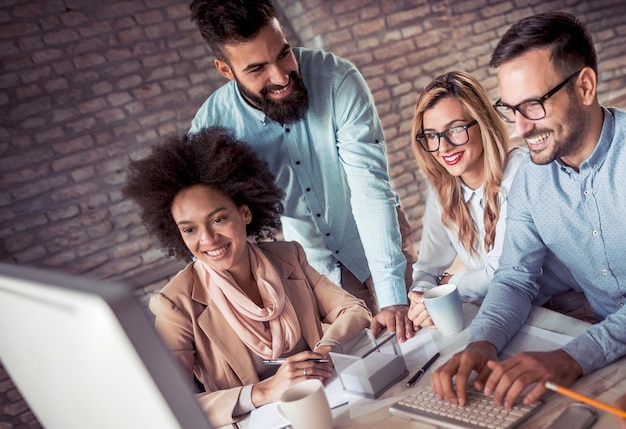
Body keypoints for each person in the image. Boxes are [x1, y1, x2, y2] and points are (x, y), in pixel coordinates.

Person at [188, 0, 418, 342]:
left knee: (419, 340)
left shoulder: (337, 79)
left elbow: (369, 186)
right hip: (307, 265)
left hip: (376, 236)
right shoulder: (213, 127)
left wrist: (393, 299)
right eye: (257, 69)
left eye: (283, 53)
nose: (280, 76)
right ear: (225, 69)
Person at [431, 11, 626, 410]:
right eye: (511, 108)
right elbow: (516, 278)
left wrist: (572, 357)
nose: (518, 128)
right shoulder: (531, 181)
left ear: (585, 86)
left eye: (534, 105)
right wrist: (482, 341)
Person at [122, 126, 371, 427]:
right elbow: (170, 404)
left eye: (218, 219)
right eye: (190, 229)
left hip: (328, 404)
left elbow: (354, 310)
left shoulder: (288, 256)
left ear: (245, 213)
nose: (209, 239)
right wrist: (264, 391)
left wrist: (323, 354)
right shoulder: (175, 304)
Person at [406, 71, 590, 329]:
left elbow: (502, 274)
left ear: (481, 123)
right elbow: (427, 268)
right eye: (432, 136)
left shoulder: (521, 172)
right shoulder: (442, 188)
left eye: (455, 130)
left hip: (566, 309)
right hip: (509, 312)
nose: (443, 147)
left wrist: (449, 283)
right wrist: (422, 297)